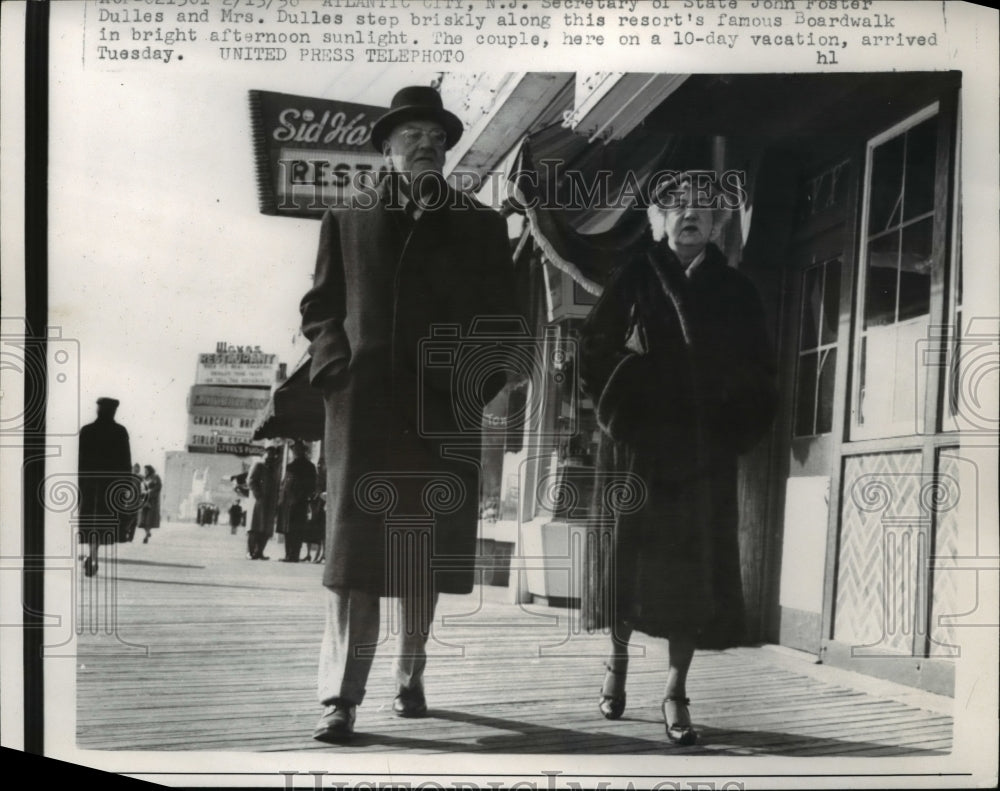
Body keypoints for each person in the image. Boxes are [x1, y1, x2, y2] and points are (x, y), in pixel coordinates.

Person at [300, 85, 520, 741]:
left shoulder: (482, 225)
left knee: (420, 555)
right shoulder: (347, 221)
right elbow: (319, 310)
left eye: (436, 136)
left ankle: (410, 671)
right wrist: (338, 370)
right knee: (353, 561)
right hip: (363, 414)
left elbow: (505, 322)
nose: (425, 143)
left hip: (440, 419)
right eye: (411, 134)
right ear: (388, 146)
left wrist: (471, 390)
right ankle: (341, 697)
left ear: (448, 149)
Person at [579, 172, 777, 746]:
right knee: (625, 566)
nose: (690, 213)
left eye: (704, 207)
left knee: (692, 576)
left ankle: (675, 690)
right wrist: (627, 401)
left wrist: (729, 425)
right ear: (657, 220)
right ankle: (616, 667)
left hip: (700, 455)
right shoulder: (634, 277)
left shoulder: (736, 291)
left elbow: (762, 373)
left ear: (717, 223)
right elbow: (594, 350)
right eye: (677, 205)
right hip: (637, 448)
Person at [77, 397, 134, 577]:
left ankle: (92, 554)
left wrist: (80, 484)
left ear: (98, 410)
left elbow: (80, 460)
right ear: (114, 411)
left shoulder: (87, 430)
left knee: (91, 521)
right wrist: (125, 485)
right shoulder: (120, 431)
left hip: (90, 485)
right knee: (103, 522)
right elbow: (126, 461)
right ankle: (93, 555)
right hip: (111, 485)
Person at [277, 440, 318, 562]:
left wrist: (301, 497)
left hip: (298, 501)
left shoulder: (308, 467)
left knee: (295, 529)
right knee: (288, 529)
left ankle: (293, 555)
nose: (295, 452)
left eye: (297, 450)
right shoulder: (291, 465)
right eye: (294, 450)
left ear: (303, 451)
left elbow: (310, 486)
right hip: (288, 502)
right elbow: (285, 484)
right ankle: (289, 554)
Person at [247, 444, 282, 560]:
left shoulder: (276, 468)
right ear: (265, 454)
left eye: (273, 454)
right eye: (269, 453)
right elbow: (251, 480)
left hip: (271, 501)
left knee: (266, 529)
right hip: (260, 502)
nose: (271, 456)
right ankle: (251, 552)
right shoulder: (259, 465)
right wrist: (258, 494)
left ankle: (260, 552)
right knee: (255, 528)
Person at [138, 464, 162, 543]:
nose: (145, 471)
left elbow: (158, 486)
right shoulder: (144, 478)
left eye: (146, 470)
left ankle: (146, 535)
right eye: (144, 470)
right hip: (144, 500)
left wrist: (150, 492)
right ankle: (147, 533)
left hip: (152, 501)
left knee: (149, 519)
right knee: (143, 520)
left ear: (150, 470)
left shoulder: (155, 477)